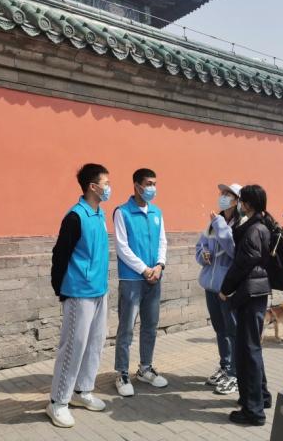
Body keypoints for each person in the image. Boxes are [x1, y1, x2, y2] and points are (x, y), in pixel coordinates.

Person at [47, 163, 111, 428]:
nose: (109, 188)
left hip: (99, 290)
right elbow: (60, 255)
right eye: (106, 183)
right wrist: (60, 290)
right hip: (79, 293)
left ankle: (82, 390)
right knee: (73, 346)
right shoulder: (75, 217)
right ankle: (58, 402)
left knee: (95, 342)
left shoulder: (99, 213)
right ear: (93, 187)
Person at [219, 184, 274, 426]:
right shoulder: (260, 224)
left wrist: (225, 289)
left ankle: (253, 411)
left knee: (247, 351)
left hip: (250, 293)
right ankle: (261, 397)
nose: (239, 204)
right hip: (256, 291)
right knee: (252, 348)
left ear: (248, 204)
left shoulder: (254, 230)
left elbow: (243, 263)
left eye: (241, 200)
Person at [113, 168, 168, 397]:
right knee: (126, 328)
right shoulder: (122, 212)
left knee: (150, 326)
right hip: (132, 279)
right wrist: (144, 269)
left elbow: (163, 241)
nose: (152, 188)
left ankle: (145, 368)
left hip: (154, 278)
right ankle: (122, 373)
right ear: (136, 185)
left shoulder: (156, 212)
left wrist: (160, 265)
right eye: (148, 183)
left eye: (155, 183)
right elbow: (122, 247)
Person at [195, 183, 243, 395]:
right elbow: (200, 245)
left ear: (237, 200)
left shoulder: (240, 224)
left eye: (227, 194)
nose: (222, 197)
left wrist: (220, 224)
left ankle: (235, 373)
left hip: (228, 287)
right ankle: (225, 366)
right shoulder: (213, 223)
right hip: (211, 285)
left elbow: (233, 250)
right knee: (220, 329)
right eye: (222, 193)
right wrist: (203, 255)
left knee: (232, 330)